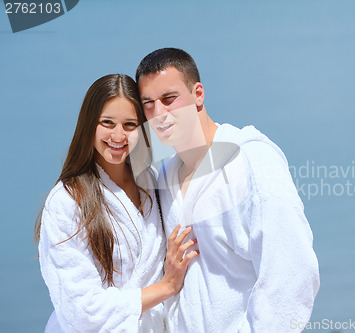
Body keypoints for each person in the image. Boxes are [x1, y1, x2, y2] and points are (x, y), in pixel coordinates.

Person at [135, 48, 320, 332]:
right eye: (148, 103)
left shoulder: (252, 161)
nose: (159, 113)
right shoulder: (163, 177)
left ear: (198, 94)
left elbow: (292, 274)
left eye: (169, 99)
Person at [35, 74, 198, 332]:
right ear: (89, 125)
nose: (118, 135)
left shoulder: (150, 181)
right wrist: (167, 286)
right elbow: (82, 310)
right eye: (107, 123)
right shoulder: (66, 201)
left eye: (130, 124)